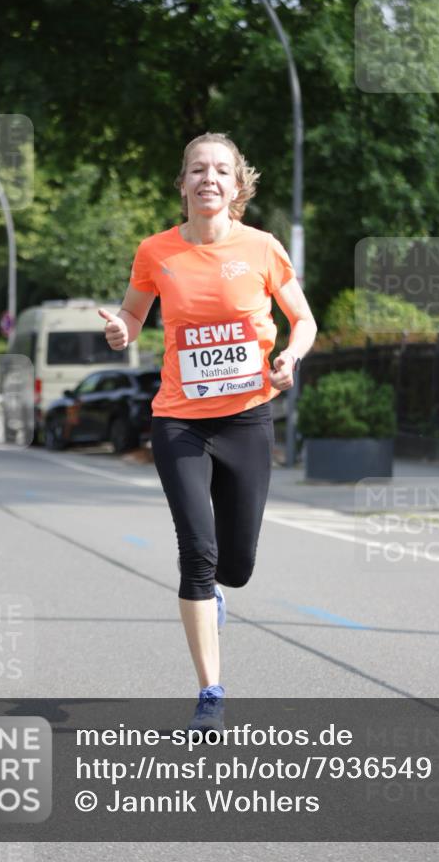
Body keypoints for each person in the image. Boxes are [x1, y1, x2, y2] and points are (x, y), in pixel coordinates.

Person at [99, 132, 317, 732]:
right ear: (183, 183)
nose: (208, 179)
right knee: (198, 553)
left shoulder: (264, 248)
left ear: (237, 184)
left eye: (221, 170)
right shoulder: (156, 251)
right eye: (198, 169)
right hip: (179, 421)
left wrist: (291, 357)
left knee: (236, 565)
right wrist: (120, 330)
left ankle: (220, 593)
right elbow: (134, 316)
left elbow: (303, 320)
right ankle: (210, 692)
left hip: (247, 417)